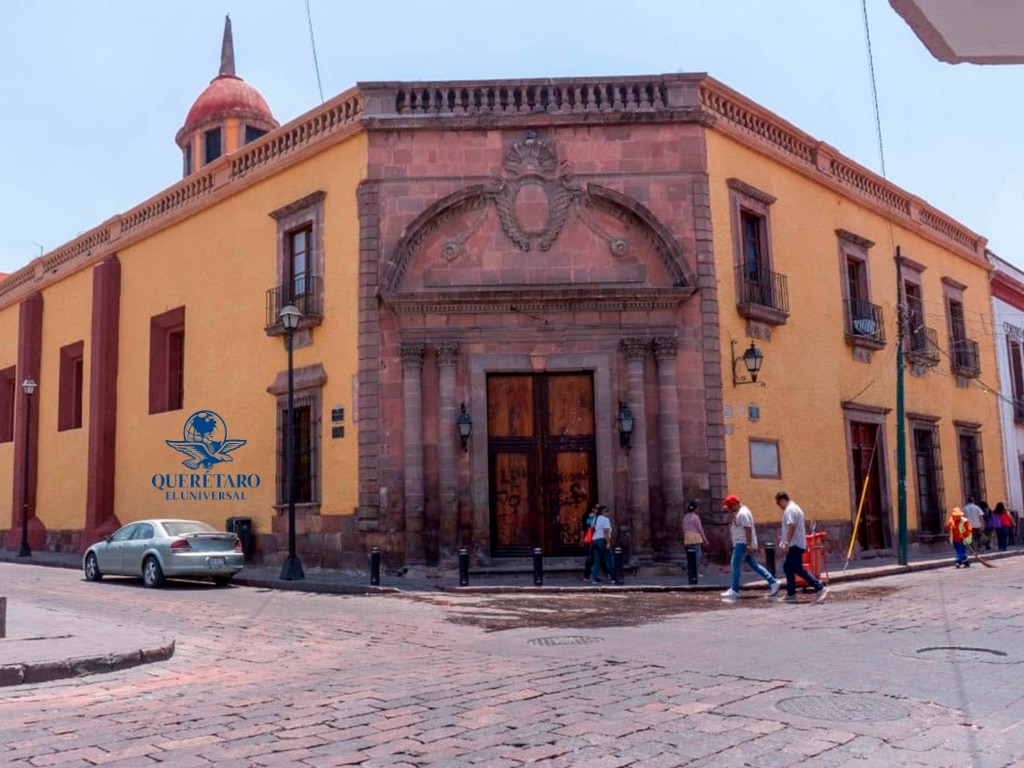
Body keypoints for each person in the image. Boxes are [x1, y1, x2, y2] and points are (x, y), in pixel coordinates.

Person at [774, 491, 830, 603]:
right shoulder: (796, 508)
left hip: (794, 544)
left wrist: (786, 543)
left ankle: (820, 587)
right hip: (798, 543)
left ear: (782, 500)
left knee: (797, 568)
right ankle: (791, 593)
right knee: (788, 567)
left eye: (778, 503)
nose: (779, 506)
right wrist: (784, 539)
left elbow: (791, 526)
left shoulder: (790, 510)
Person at [721, 494, 780, 599]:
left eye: (730, 507)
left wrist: (748, 545)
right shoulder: (740, 512)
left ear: (735, 504)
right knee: (754, 565)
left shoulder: (743, 513)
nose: (729, 510)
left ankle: (734, 589)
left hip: (742, 543)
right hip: (742, 542)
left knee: (734, 564)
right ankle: (773, 581)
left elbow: (748, 529)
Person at [580, 503, 609, 581]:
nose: (597, 510)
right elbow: (583, 528)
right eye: (596, 508)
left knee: (597, 558)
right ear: (592, 509)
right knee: (595, 558)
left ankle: (589, 575)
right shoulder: (588, 517)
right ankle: (607, 574)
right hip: (592, 539)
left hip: (596, 539)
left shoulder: (599, 517)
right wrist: (582, 539)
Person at [682, 499, 710, 579]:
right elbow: (700, 529)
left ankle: (687, 565)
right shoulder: (695, 517)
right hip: (695, 537)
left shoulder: (685, 517)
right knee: (697, 555)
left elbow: (683, 528)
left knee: (690, 554)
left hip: (687, 537)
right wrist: (705, 539)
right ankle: (694, 571)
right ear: (695, 508)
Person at [589, 504, 614, 584]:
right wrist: (608, 542)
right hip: (602, 540)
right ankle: (613, 577)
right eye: (607, 512)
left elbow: (592, 528)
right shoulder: (605, 520)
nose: (608, 513)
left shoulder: (595, 519)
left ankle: (595, 578)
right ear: (603, 512)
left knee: (597, 560)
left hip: (595, 540)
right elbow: (605, 531)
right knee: (609, 558)